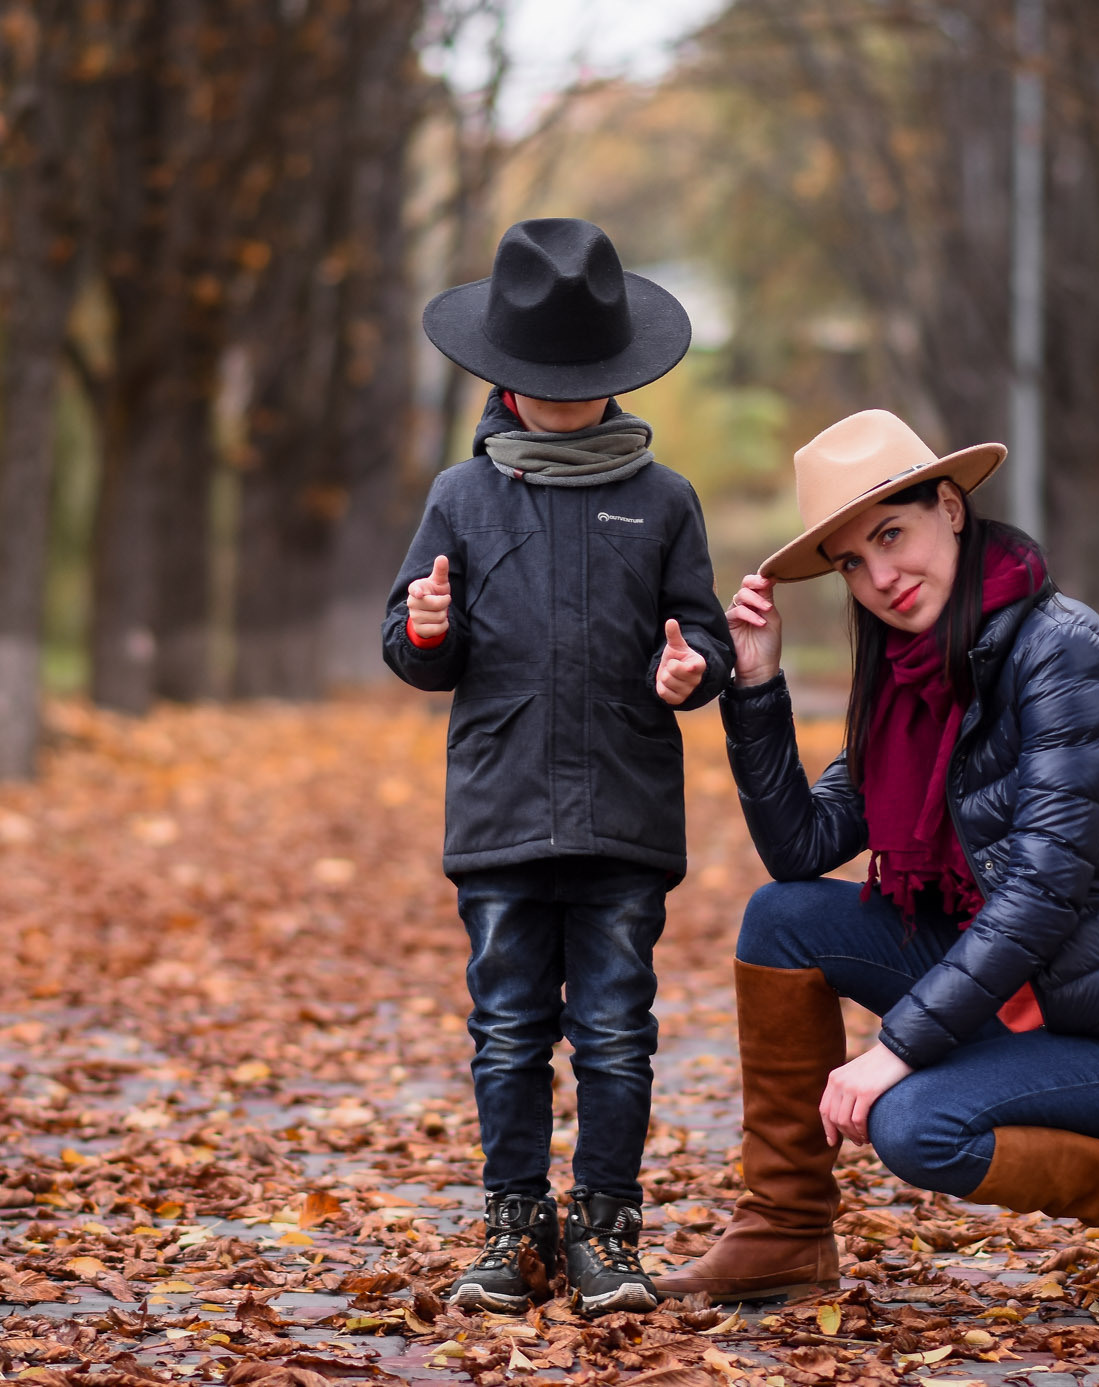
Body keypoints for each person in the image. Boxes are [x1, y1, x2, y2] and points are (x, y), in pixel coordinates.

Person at [657, 410, 1099, 1320]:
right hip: (1034, 997)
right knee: (780, 916)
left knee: (915, 1124)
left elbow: (1043, 894)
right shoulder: (910, 677)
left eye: (892, 535)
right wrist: (756, 686)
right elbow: (803, 848)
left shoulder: (1065, 655)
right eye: (854, 561)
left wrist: (892, 1052)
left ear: (950, 507)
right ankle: (786, 1229)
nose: (881, 577)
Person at [382, 218, 734, 1316]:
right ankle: (513, 1222)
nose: (562, 398)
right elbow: (408, 647)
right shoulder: (462, 494)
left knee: (619, 1031)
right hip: (499, 814)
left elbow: (704, 636)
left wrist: (693, 669)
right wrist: (428, 626)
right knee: (507, 1031)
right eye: (541, 380)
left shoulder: (664, 498)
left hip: (625, 816)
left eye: (585, 382)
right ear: (502, 375)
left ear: (620, 377)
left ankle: (608, 1229)